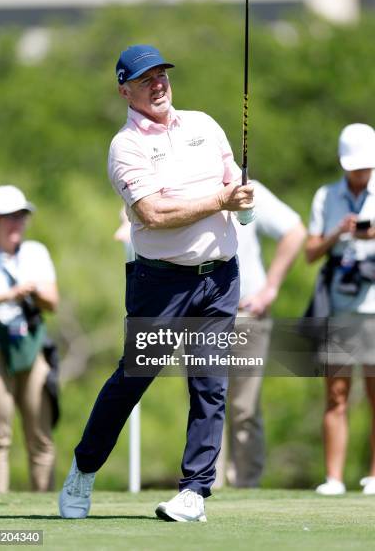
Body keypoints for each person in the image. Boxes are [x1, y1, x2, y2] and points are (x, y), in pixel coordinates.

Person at [59, 44, 255, 522]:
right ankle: (84, 470)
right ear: (125, 90)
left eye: (163, 75)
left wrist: (244, 201)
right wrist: (222, 202)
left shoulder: (206, 125)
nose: (159, 84)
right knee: (133, 379)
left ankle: (194, 493)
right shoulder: (125, 145)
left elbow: (239, 192)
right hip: (161, 283)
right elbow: (153, 213)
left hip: (220, 277)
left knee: (210, 384)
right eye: (146, 79)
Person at [0, 185, 59, 492]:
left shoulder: (36, 252)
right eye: (9, 216)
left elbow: (52, 302)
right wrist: (9, 294)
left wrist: (34, 293)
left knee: (40, 433)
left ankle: (46, 504)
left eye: (21, 216)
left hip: (29, 341)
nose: (17, 222)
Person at [215, 181, 306, 488]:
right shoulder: (188, 187)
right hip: (202, 316)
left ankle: (245, 484)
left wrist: (271, 288)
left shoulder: (247, 190)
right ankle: (204, 483)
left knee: (245, 408)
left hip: (246, 313)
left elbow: (294, 231)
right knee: (204, 402)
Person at [305, 123, 375, 495]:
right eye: (355, 166)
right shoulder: (326, 196)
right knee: (336, 392)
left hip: (374, 303)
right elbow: (310, 252)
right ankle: (333, 478)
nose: (361, 173)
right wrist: (337, 233)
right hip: (339, 303)